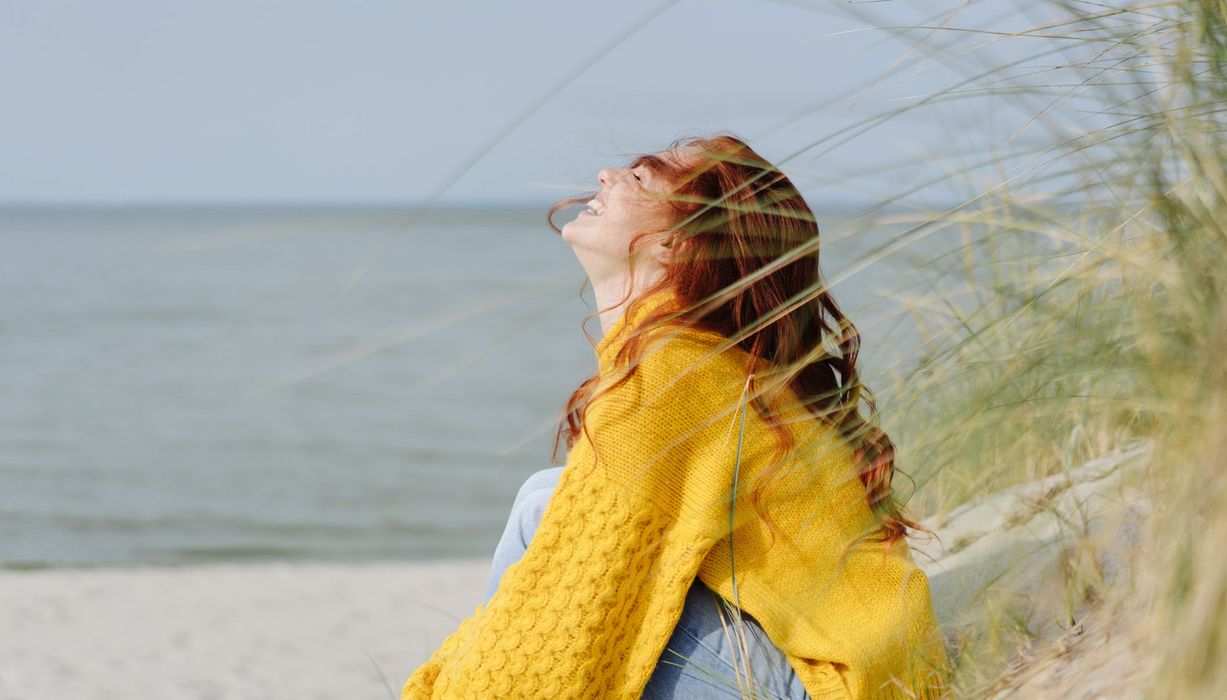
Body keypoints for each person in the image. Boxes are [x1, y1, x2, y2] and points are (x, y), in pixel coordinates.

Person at [402, 134, 949, 699]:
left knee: (549, 524)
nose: (605, 175)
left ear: (677, 246)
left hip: (826, 686)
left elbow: (573, 607)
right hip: (871, 671)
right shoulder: (698, 360)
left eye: (640, 178)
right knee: (546, 497)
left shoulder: (674, 372)